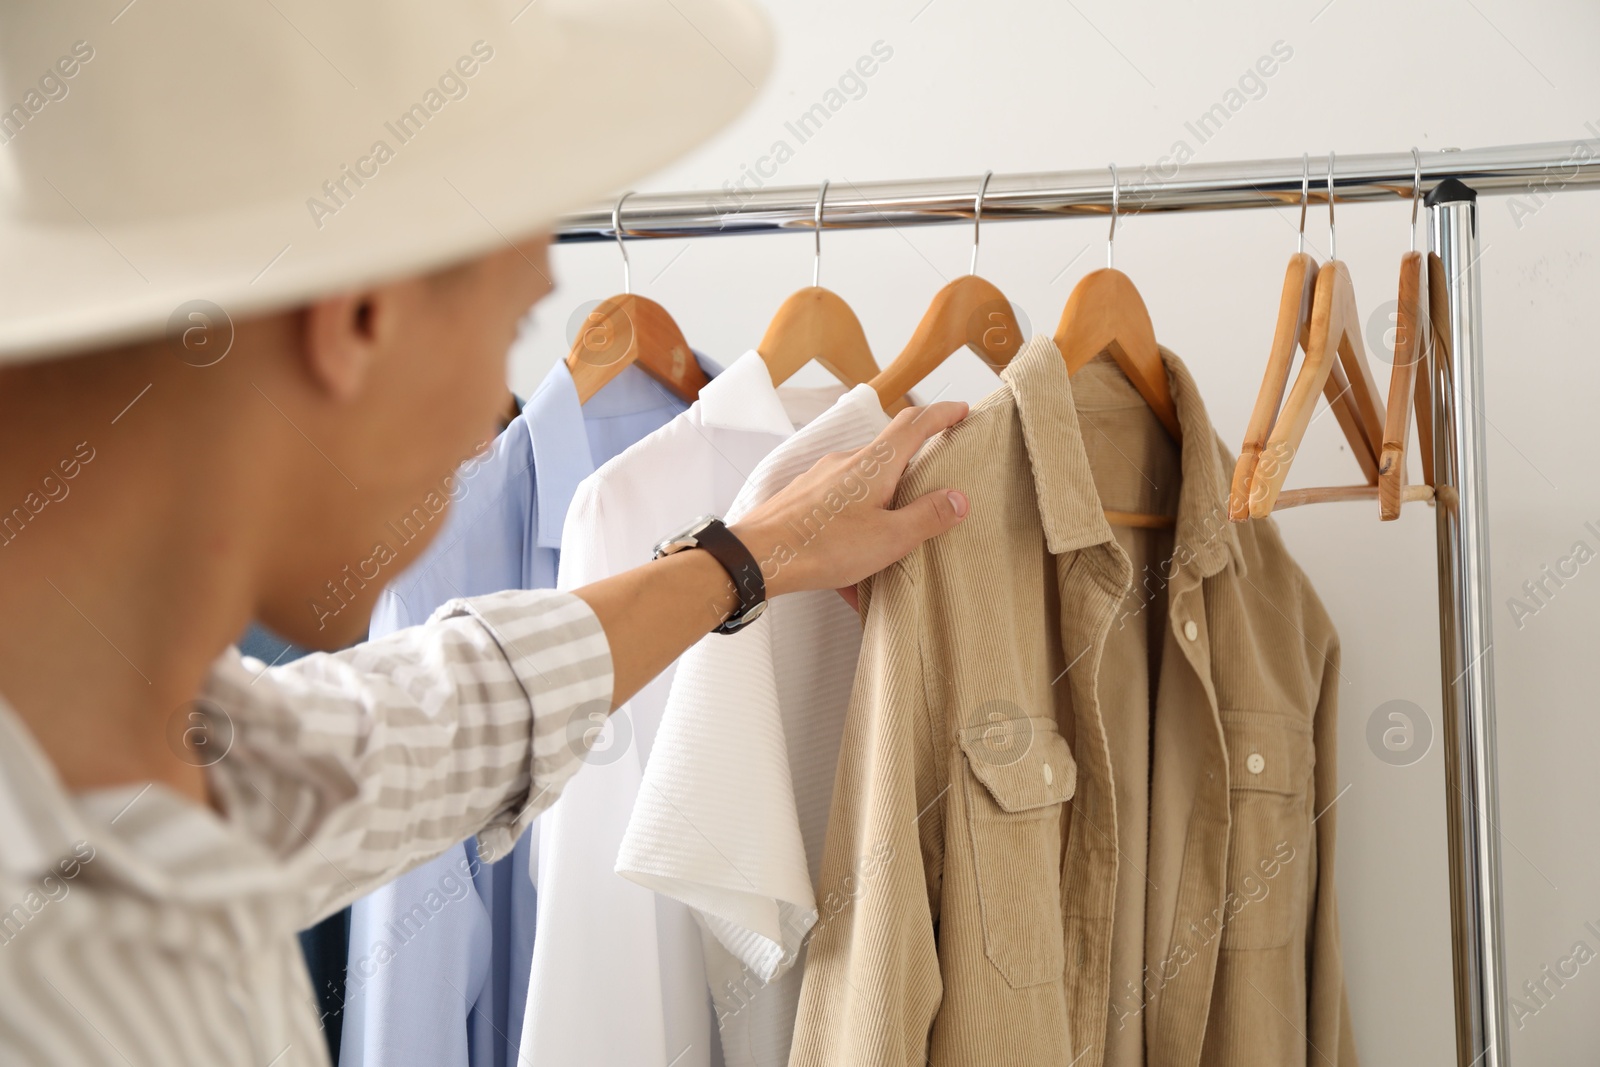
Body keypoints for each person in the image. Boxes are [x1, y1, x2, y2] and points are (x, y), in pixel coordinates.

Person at [0, 1, 967, 1063]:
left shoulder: (157, 747)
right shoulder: (61, 992)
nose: (491, 414)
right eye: (512, 330)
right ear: (360, 319)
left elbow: (420, 723)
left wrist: (741, 558)